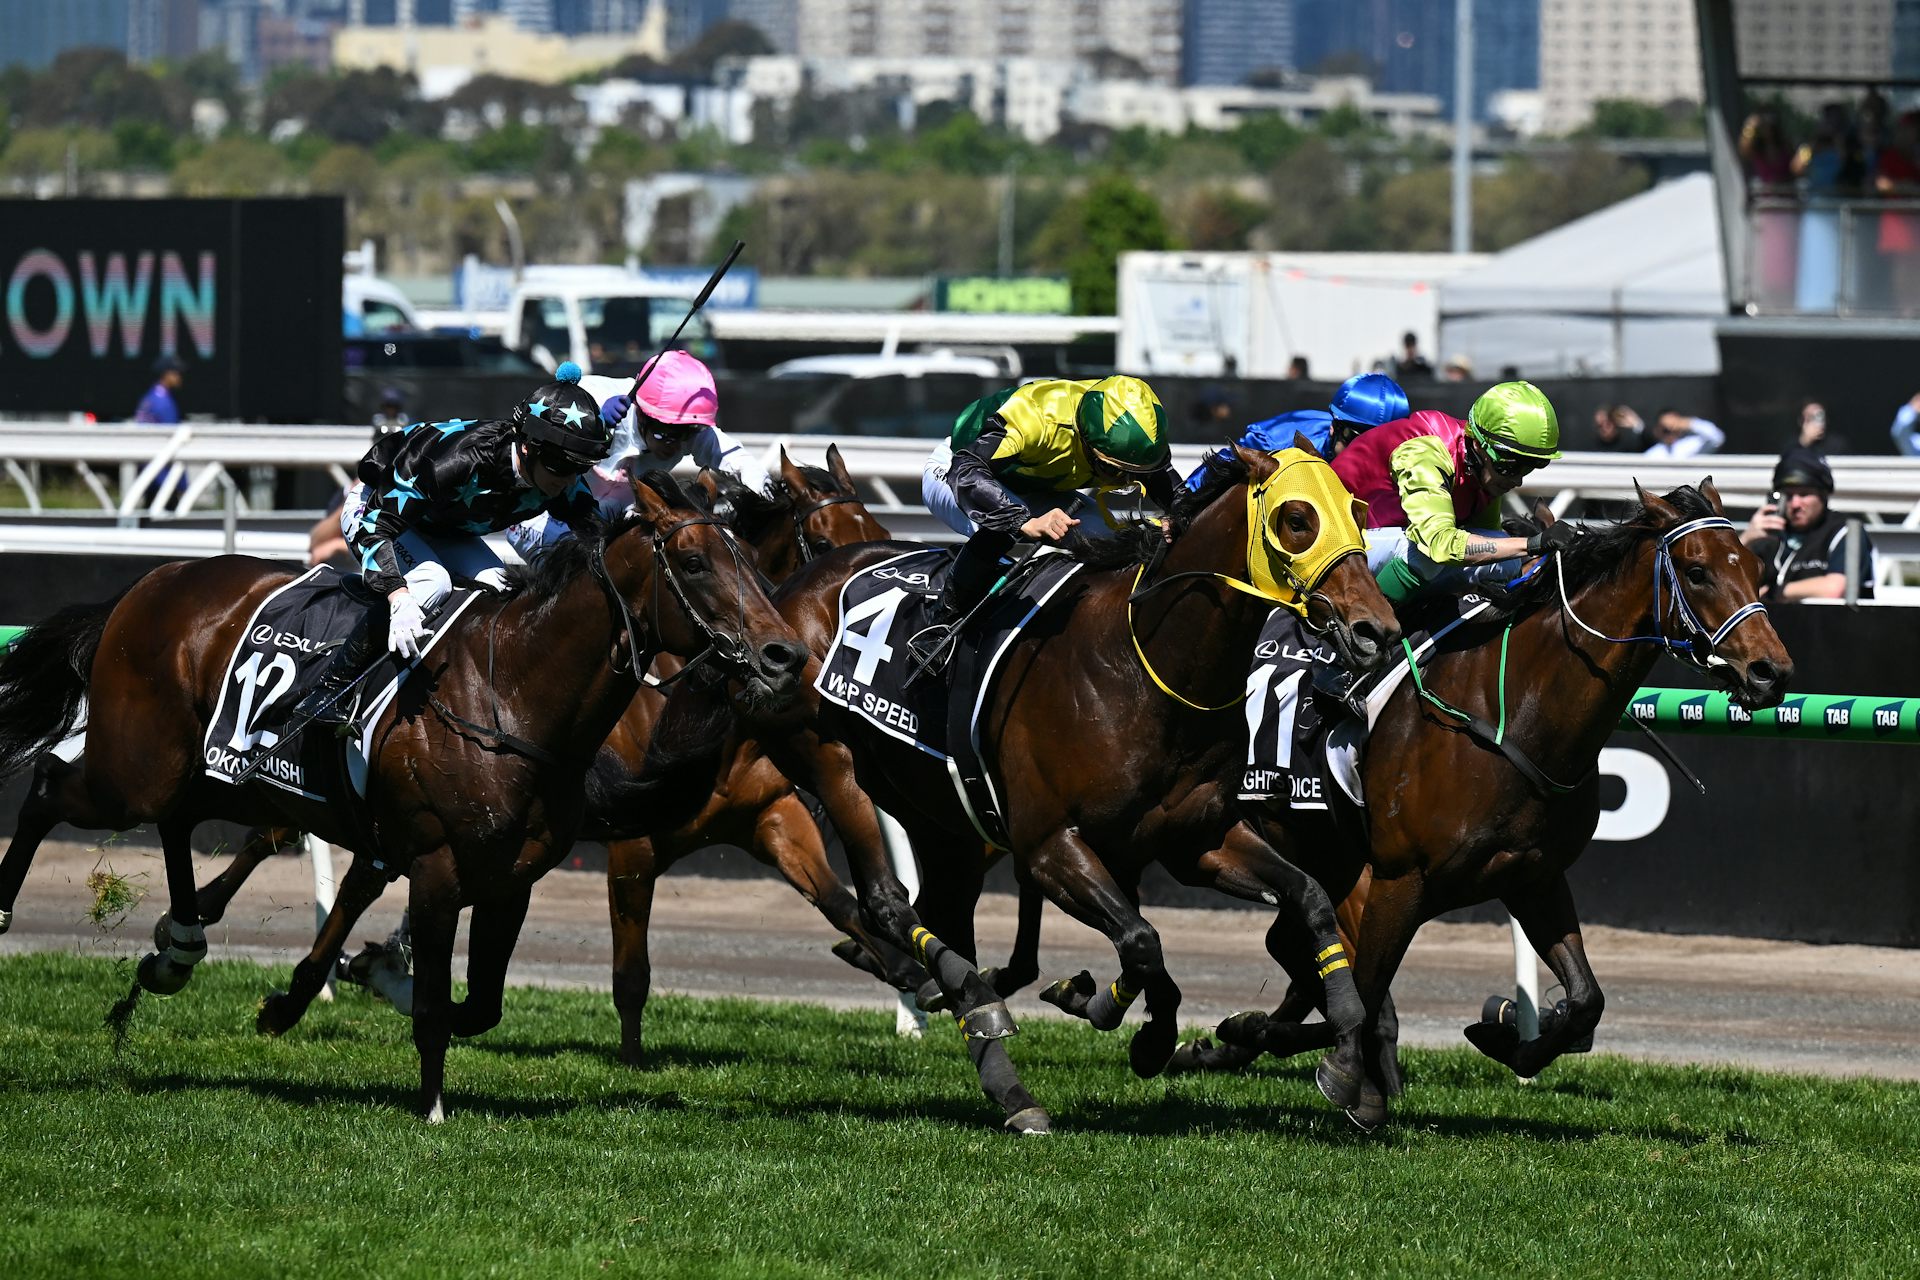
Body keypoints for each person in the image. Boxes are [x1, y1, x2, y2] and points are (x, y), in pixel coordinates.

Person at [288, 362, 616, 724]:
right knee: (432, 582)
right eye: (562, 466)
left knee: (503, 590)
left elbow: (599, 537)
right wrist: (397, 595)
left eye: (580, 467)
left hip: (444, 529)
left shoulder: (558, 477)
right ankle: (329, 689)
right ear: (527, 448)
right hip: (375, 513)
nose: (570, 479)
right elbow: (376, 526)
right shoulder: (458, 462)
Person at [923, 375, 1178, 622]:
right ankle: (941, 622)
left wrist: (1173, 516)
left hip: (1035, 486)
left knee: (1128, 538)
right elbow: (967, 470)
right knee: (1002, 529)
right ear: (1085, 439)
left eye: (1133, 472)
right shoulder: (1036, 417)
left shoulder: (1137, 438)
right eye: (1112, 469)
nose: (1124, 479)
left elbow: (1173, 490)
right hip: (957, 471)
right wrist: (1023, 521)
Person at [508, 349, 767, 560]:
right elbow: (527, 434)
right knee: (581, 564)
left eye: (686, 434)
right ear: (642, 414)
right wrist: (593, 427)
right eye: (666, 435)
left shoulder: (684, 429)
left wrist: (768, 502)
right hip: (537, 515)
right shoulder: (590, 397)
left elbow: (742, 463)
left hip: (602, 526)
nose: (675, 445)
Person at [1331, 381, 1573, 602]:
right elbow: (1440, 544)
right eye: (1510, 466)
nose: (1517, 480)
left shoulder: (1484, 469)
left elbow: (1488, 542)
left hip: (1379, 543)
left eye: (1529, 466)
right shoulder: (1426, 452)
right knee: (1426, 554)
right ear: (1478, 444)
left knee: (1506, 561)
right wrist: (1532, 543)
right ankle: (1366, 621)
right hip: (1333, 543)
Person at [1184, 372, 1409, 491]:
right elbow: (1223, 464)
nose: (1370, 457)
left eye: (1384, 447)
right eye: (1360, 440)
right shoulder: (1277, 442)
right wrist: (1180, 507)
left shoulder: (1405, 466)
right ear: (1334, 428)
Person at [1740, 449, 1877, 601]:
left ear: (1823, 495)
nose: (1795, 504)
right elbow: (1726, 585)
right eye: (1788, 495)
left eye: (1804, 494)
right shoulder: (1768, 536)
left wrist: (1775, 593)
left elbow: (1835, 589)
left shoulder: (1845, 531)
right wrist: (1746, 540)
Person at [1645, 408, 1725, 459]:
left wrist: (1687, 423)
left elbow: (1717, 437)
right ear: (1657, 431)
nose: (1671, 432)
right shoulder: (1654, 454)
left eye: (1674, 429)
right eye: (1666, 430)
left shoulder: (1693, 444)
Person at [134, 357, 184, 424]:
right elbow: (169, 427)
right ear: (167, 375)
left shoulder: (152, 394)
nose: (179, 377)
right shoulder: (162, 400)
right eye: (176, 373)